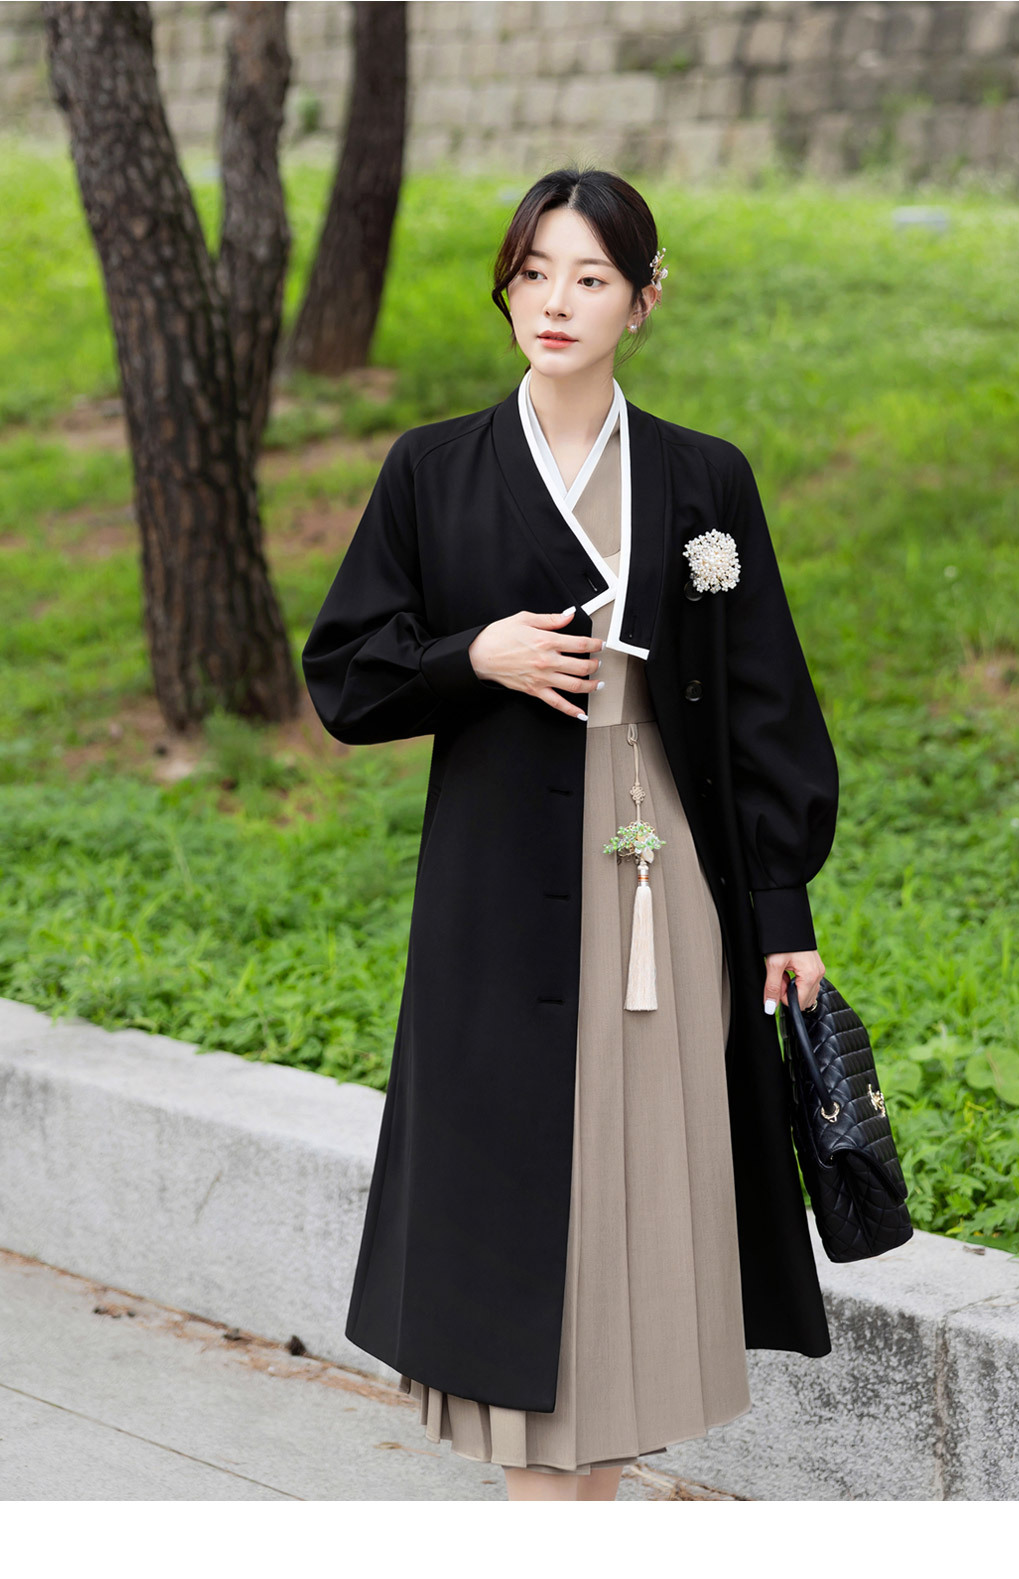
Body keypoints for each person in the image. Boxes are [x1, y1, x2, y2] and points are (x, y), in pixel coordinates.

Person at [301, 166, 839, 1502]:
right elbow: (348, 677)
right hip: (494, 887)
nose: (554, 301)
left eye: (590, 277)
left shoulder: (704, 476)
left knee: (641, 1180)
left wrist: (782, 910)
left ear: (644, 301)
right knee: (516, 1196)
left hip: (667, 879)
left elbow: (766, 704)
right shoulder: (432, 467)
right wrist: (470, 656)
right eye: (534, 272)